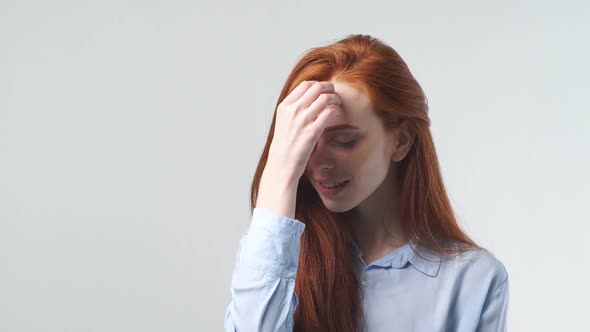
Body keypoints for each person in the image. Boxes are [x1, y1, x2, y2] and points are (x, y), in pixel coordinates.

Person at [224, 34, 509, 332]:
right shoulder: (273, 256)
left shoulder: (475, 280)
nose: (319, 162)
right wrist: (279, 174)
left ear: (401, 141)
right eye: (305, 143)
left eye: (344, 141)